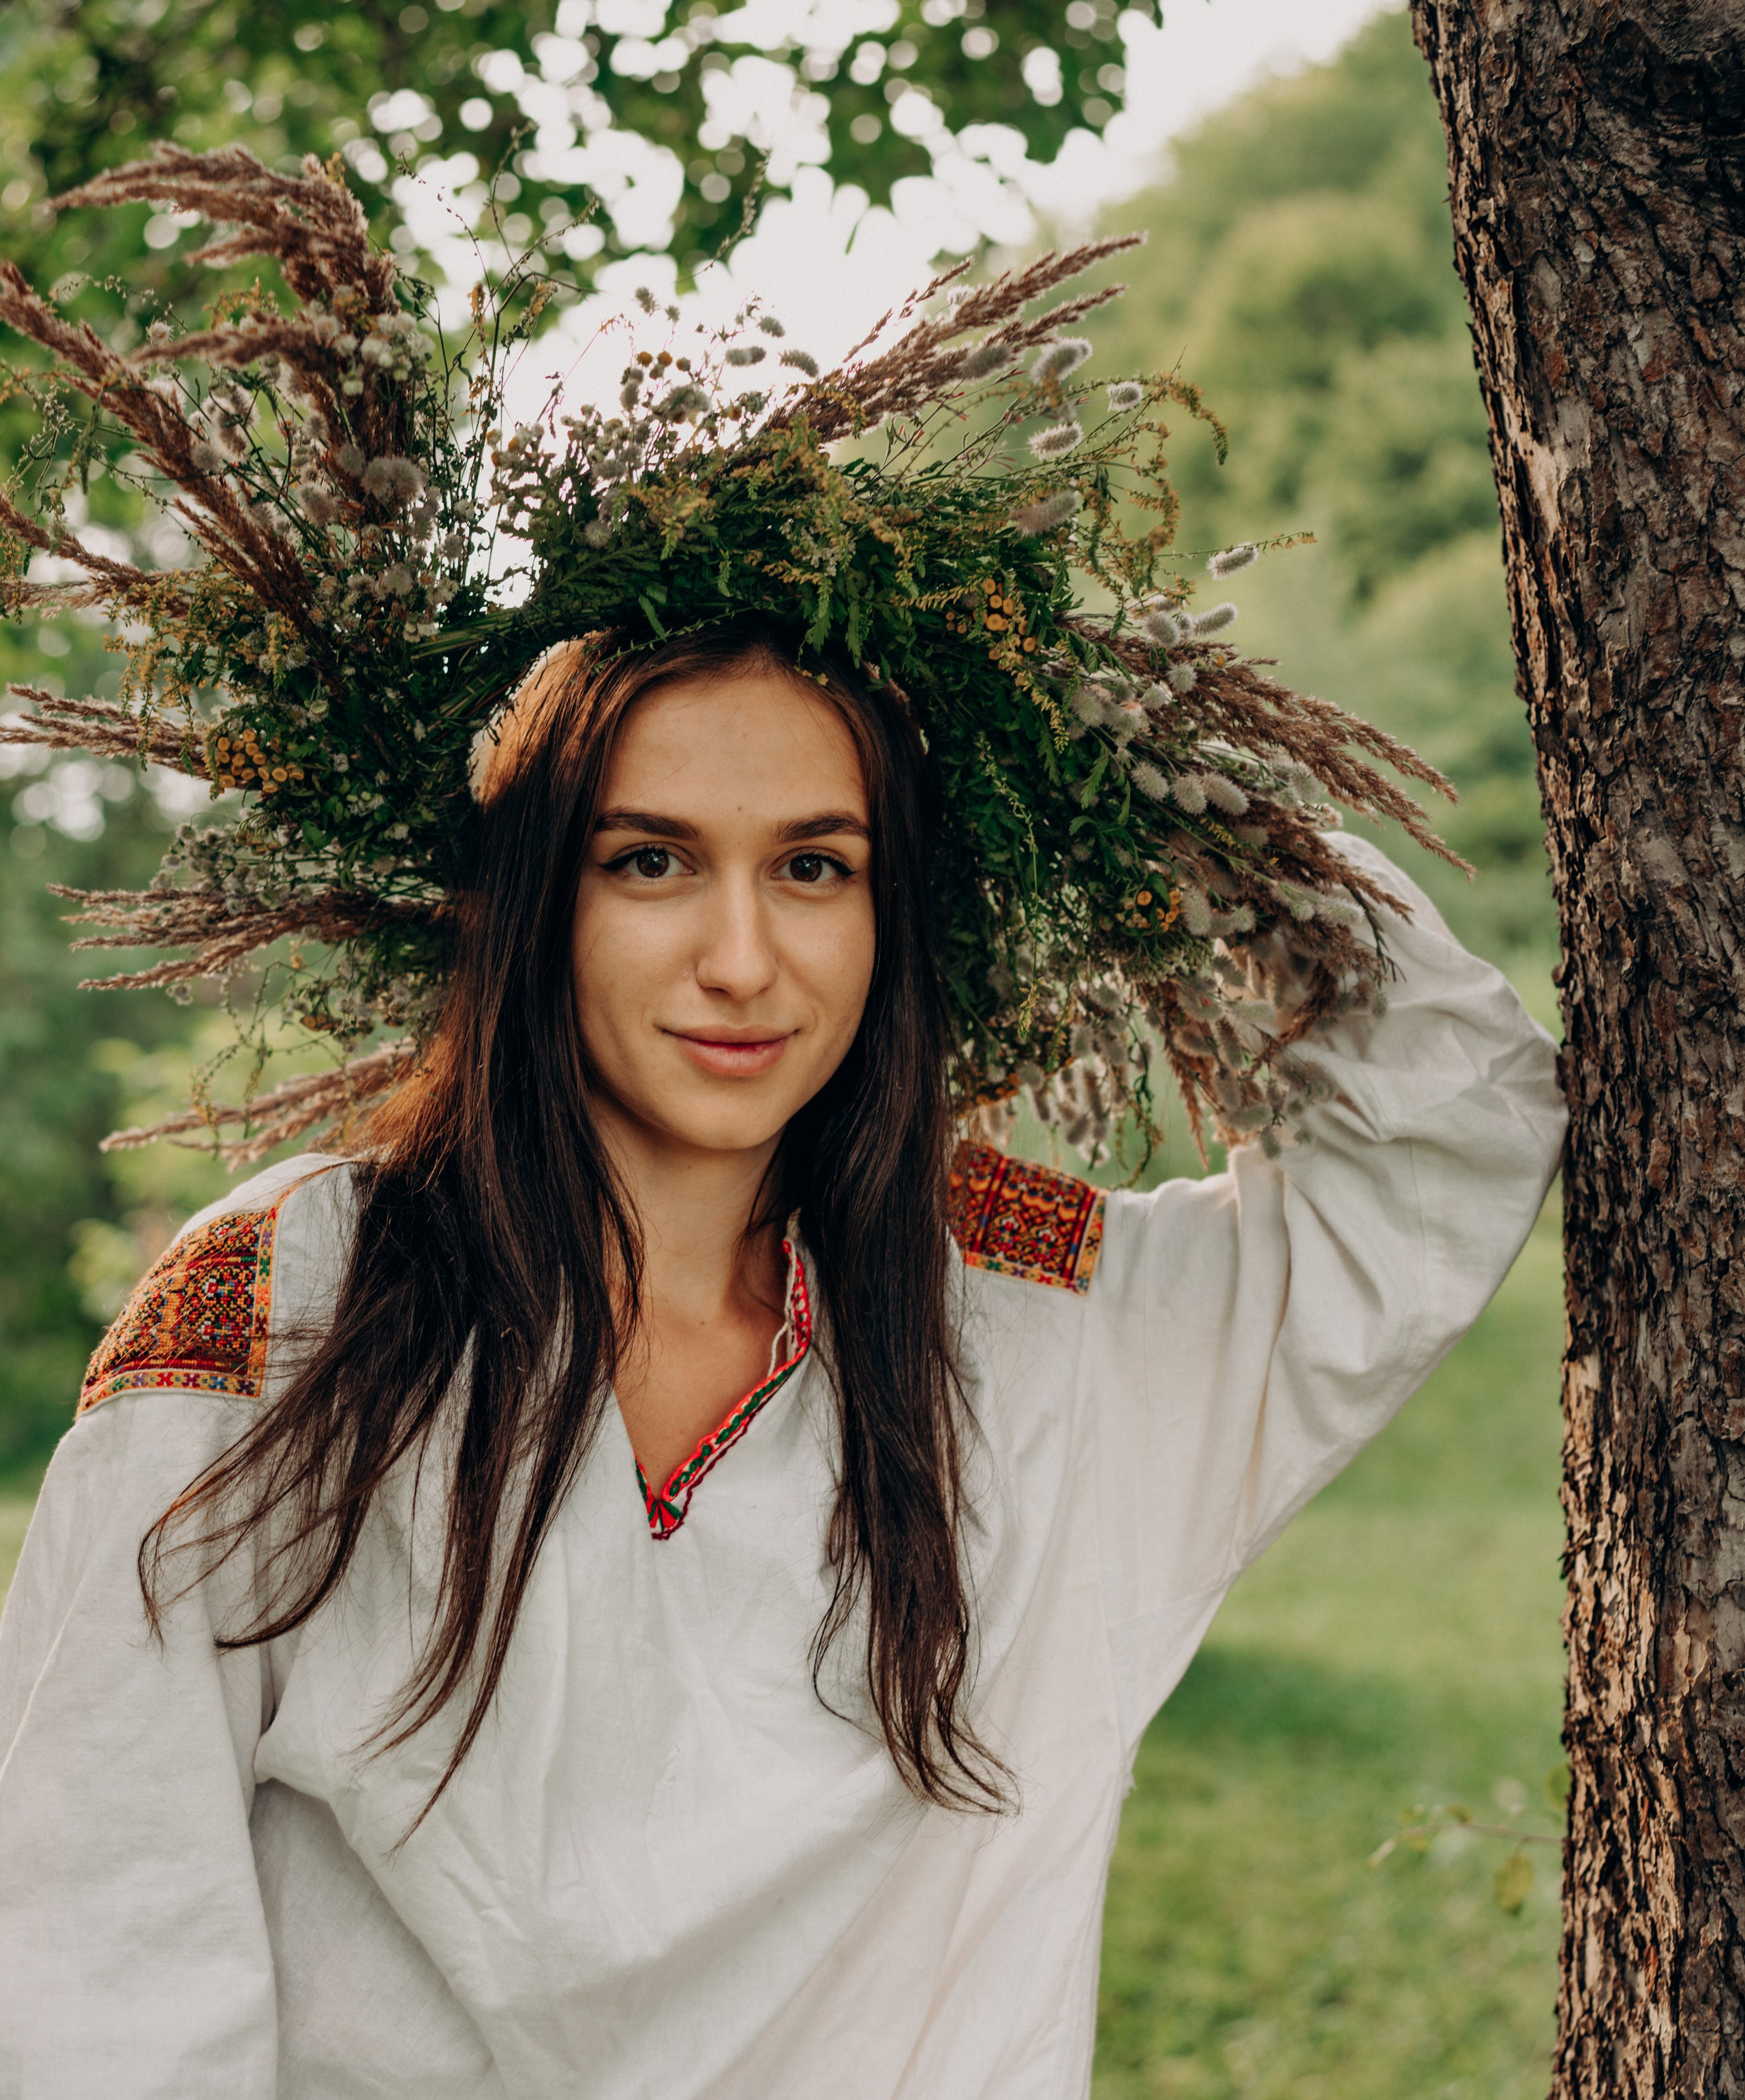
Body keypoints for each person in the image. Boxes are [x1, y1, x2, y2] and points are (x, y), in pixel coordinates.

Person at [0, 158, 1563, 2095]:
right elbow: (95, 1963)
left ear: (891, 904)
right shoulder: (281, 1316)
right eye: (653, 859)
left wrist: (1108, 753)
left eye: (814, 866)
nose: (742, 955)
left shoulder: (1041, 1330)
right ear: (534, 891)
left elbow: (1452, 1132)